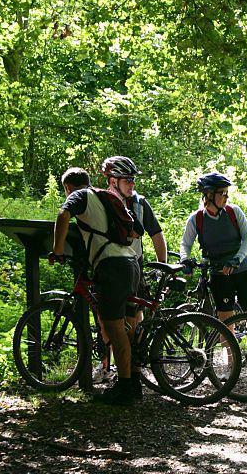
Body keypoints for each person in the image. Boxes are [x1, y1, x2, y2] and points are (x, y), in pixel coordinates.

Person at [50, 167, 141, 405]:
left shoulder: (78, 196)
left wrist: (57, 251)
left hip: (112, 266)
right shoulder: (103, 196)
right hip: (129, 261)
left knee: (114, 328)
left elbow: (62, 216)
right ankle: (133, 381)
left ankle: (125, 389)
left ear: (67, 188)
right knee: (121, 324)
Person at [179, 172, 247, 386]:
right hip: (219, 274)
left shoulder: (233, 212)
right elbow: (186, 244)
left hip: (244, 270)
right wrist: (186, 260)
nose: (226, 197)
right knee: (225, 323)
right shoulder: (197, 219)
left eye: (227, 193)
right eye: (222, 193)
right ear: (208, 195)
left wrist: (237, 260)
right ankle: (231, 367)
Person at [97, 155, 166, 383]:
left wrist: (162, 265)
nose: (132, 184)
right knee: (108, 322)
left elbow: (156, 234)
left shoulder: (139, 203)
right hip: (108, 267)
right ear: (112, 180)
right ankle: (107, 367)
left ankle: (132, 374)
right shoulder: (102, 200)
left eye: (133, 180)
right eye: (127, 179)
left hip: (133, 267)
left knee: (132, 325)